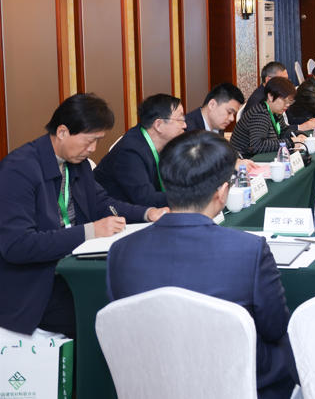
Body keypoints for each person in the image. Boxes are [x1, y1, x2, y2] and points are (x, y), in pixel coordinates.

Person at [107, 131, 297, 399]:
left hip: (154, 381)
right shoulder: (249, 250)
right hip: (234, 382)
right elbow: (275, 327)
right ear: (222, 192)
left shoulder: (120, 252)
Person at [0, 94, 167, 337]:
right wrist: (89, 232)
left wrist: (147, 213)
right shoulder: (19, 169)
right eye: (90, 141)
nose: (93, 149)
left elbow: (101, 203)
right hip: (33, 285)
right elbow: (17, 246)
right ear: (62, 132)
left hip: (69, 266)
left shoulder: (76, 163)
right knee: (105, 317)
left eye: (98, 141)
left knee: (133, 296)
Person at [95, 94, 187, 208]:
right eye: (180, 120)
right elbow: (146, 199)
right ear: (158, 125)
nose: (185, 125)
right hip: (115, 215)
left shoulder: (165, 145)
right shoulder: (130, 151)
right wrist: (190, 197)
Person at [230, 77, 313, 157]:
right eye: (285, 101)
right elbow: (258, 146)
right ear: (271, 96)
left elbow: (284, 130)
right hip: (246, 159)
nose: (287, 105)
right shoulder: (260, 113)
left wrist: (298, 135)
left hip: (262, 156)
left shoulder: (276, 111)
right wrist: (290, 142)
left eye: (290, 102)